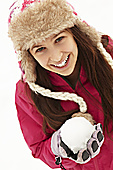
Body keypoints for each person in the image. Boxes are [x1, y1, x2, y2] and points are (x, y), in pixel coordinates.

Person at [8, 0, 113, 169]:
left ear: (74, 32)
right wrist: (60, 148)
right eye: (40, 49)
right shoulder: (27, 94)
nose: (57, 56)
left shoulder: (108, 54)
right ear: (29, 56)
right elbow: (39, 147)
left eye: (59, 39)